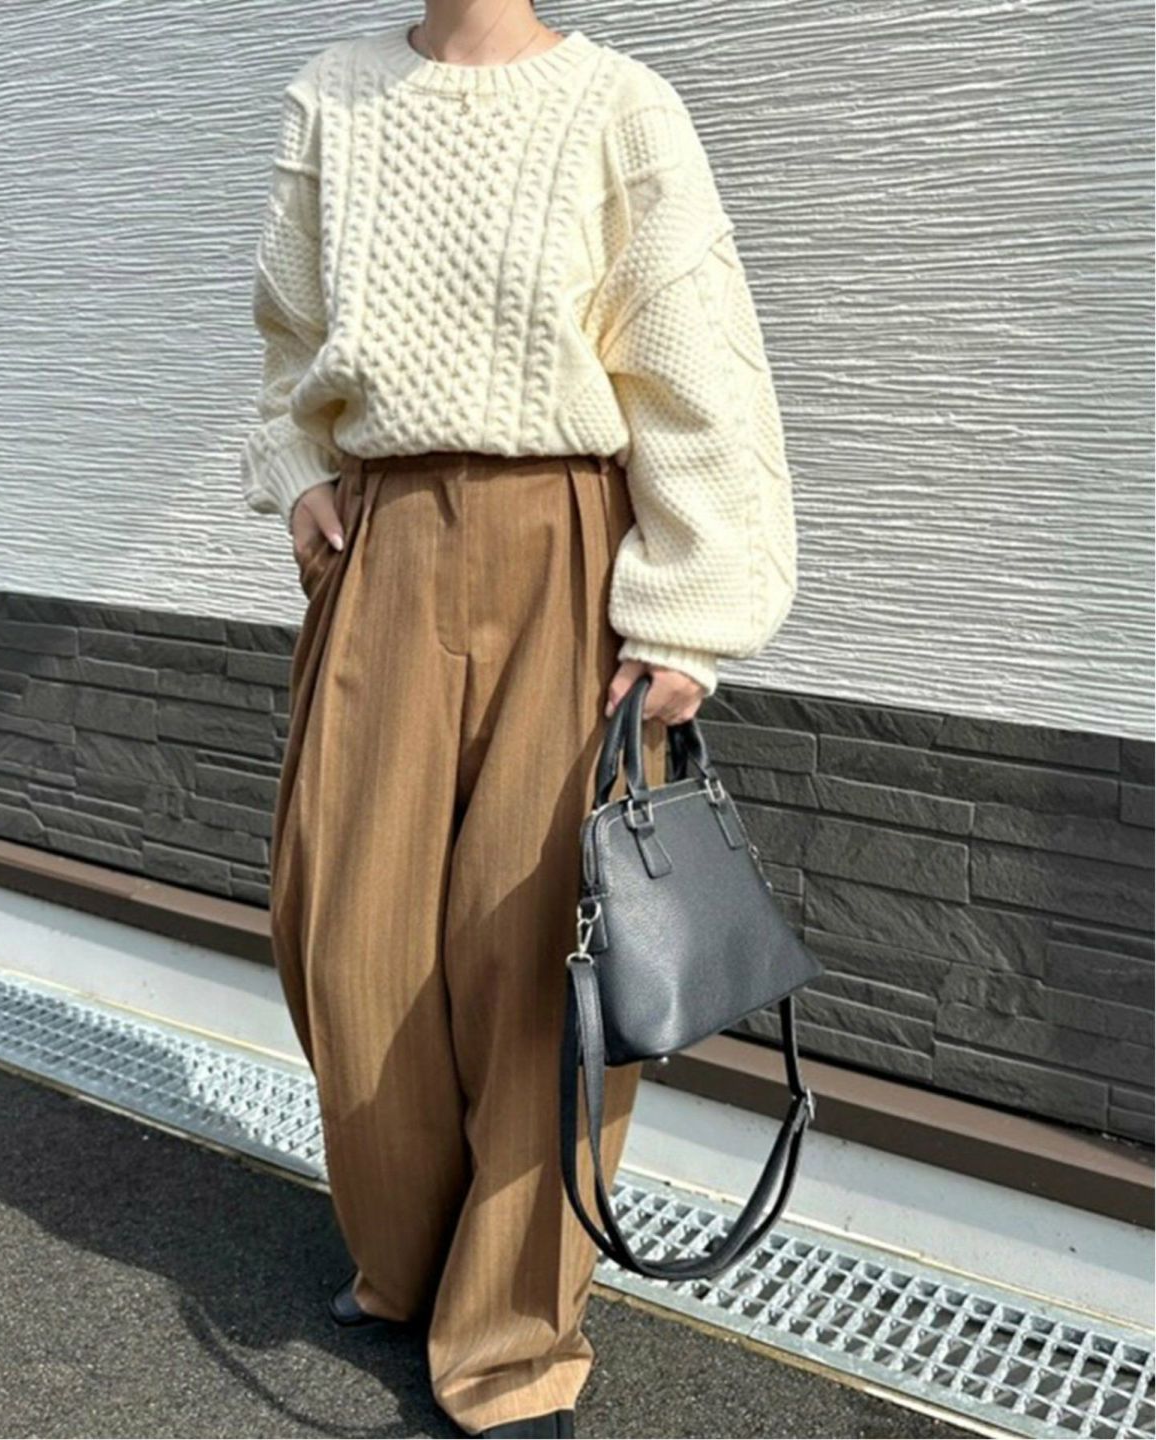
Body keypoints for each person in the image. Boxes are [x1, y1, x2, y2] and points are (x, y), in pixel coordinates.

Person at [238, 3, 798, 1436]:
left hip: (569, 549)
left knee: (542, 952)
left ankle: (510, 1344)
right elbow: (290, 337)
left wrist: (690, 614)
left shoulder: (619, 108)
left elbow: (697, 371)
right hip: (384, 545)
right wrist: (299, 472)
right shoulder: (330, 98)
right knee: (349, 940)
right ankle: (410, 1263)